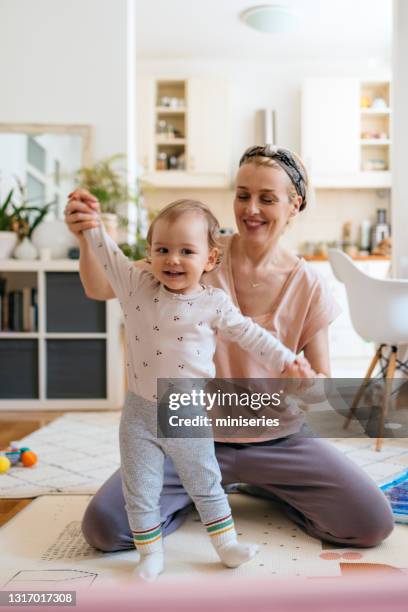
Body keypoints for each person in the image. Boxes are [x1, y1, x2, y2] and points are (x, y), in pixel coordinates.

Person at [65, 144, 394, 555]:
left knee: (370, 524)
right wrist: (86, 237)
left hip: (280, 440)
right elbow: (101, 286)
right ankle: (198, 494)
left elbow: (319, 389)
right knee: (106, 529)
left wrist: (303, 383)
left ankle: (265, 486)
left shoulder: (309, 283)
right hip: (187, 432)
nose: (250, 209)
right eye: (243, 195)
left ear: (294, 205)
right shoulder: (196, 252)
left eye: (266, 198)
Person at [79, 197, 313, 580]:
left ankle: (226, 546)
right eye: (163, 250)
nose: (172, 259)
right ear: (149, 254)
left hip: (184, 407)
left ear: (209, 259)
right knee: (139, 488)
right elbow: (109, 256)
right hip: (138, 411)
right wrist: (90, 224)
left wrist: (287, 360)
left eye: (186, 251)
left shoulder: (213, 303)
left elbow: (251, 335)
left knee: (204, 481)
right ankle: (149, 554)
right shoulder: (136, 285)